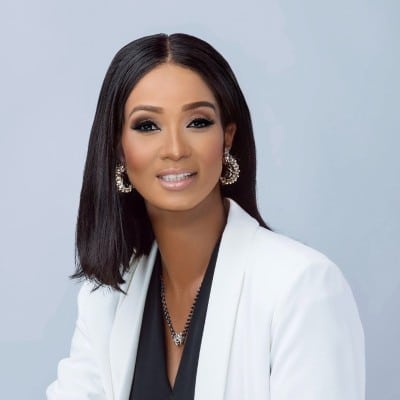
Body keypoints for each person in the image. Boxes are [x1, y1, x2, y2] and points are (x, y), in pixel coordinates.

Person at [46, 33, 365, 399]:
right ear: (118, 148)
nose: (175, 149)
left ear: (227, 136)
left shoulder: (301, 287)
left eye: (197, 122)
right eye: (147, 125)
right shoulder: (106, 297)